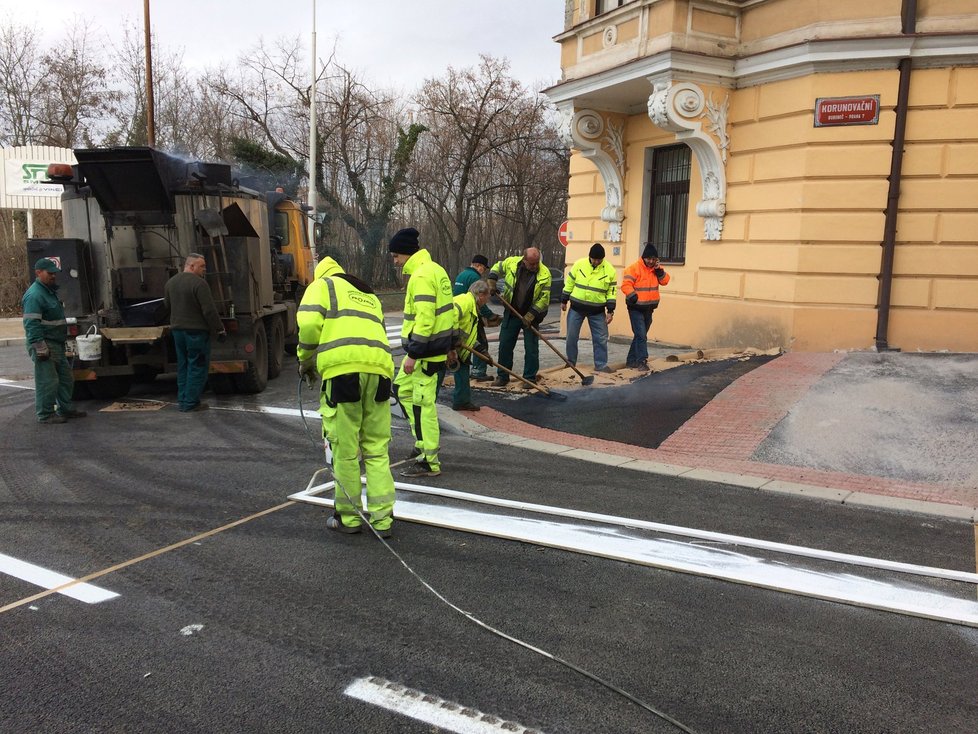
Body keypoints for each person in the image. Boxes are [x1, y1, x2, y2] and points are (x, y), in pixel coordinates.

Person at [297, 257, 396, 538]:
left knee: (346, 450)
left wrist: (305, 360)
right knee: (377, 448)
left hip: (343, 374)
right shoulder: (367, 293)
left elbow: (307, 325)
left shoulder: (322, 286)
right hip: (379, 371)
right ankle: (383, 519)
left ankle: (349, 518)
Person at [389, 227, 455, 478]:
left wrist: (413, 354)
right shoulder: (436, 271)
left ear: (407, 253)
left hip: (425, 354)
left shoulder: (421, 276)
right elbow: (445, 313)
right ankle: (421, 443)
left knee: (421, 404)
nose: (395, 261)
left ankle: (429, 460)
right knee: (402, 389)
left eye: (396, 256)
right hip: (433, 350)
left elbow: (426, 319)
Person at [22, 258, 86, 424]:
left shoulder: (48, 291)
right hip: (45, 343)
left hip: (55, 343)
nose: (53, 276)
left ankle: (65, 408)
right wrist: (39, 346)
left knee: (65, 378)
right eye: (50, 273)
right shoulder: (34, 295)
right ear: (38, 273)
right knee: (48, 380)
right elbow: (31, 323)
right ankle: (45, 414)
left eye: (54, 273)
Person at [164, 253, 225, 412]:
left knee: (183, 366)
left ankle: (183, 400)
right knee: (197, 366)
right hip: (196, 332)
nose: (204, 269)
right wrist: (219, 329)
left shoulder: (171, 283)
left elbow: (167, 305)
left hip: (178, 332)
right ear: (191, 266)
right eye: (202, 266)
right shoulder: (199, 284)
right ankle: (191, 403)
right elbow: (209, 311)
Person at [487, 247, 552, 388]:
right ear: (524, 260)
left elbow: (544, 299)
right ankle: (503, 376)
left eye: (537, 263)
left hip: (531, 315)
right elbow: (497, 267)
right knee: (505, 344)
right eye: (532, 264)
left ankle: (529, 378)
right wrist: (492, 280)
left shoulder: (545, 273)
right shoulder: (511, 263)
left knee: (531, 348)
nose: (535, 266)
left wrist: (532, 314)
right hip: (512, 311)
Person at [561, 243, 617, 373]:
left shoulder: (610, 270)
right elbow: (569, 283)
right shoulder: (579, 265)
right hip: (576, 308)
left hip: (597, 311)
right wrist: (564, 300)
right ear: (589, 257)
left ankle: (601, 365)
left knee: (601, 338)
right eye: (594, 259)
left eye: (599, 260)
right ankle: (571, 362)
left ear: (603, 258)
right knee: (571, 336)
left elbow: (611, 292)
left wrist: (610, 311)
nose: (597, 262)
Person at [621, 243, 670, 371]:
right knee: (641, 335)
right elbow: (625, 285)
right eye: (649, 259)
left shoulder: (656, 270)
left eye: (654, 259)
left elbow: (665, 281)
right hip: (635, 308)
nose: (651, 261)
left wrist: (660, 271)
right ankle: (642, 361)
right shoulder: (633, 269)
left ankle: (631, 361)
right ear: (644, 258)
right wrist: (632, 295)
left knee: (639, 335)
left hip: (649, 308)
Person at [452, 254, 499, 382]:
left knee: (469, 341)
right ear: (478, 266)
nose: (483, 271)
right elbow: (479, 299)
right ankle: (478, 371)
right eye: (484, 268)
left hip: (460, 316)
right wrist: (490, 315)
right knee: (480, 341)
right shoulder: (474, 277)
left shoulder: (462, 274)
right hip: (470, 314)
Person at [451, 280, 491, 412]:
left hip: (456, 345)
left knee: (463, 368)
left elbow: (469, 335)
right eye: (487, 296)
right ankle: (424, 405)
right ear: (481, 295)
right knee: (437, 374)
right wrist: (454, 338)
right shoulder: (465, 301)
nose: (487, 300)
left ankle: (462, 401)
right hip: (444, 343)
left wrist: (482, 351)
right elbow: (451, 317)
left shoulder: (473, 306)